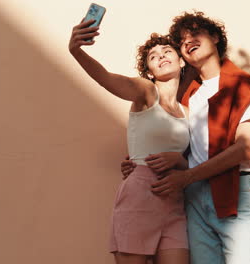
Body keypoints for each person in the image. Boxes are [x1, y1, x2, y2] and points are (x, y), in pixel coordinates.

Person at [121, 11, 250, 264]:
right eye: (181, 40)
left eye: (195, 33)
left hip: (233, 189)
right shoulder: (187, 95)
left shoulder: (240, 85)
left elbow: (246, 149)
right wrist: (139, 163)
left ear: (215, 37)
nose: (188, 40)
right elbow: (180, 143)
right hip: (193, 195)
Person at [68, 18, 191, 264]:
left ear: (181, 61)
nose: (162, 56)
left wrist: (179, 160)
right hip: (139, 196)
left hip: (174, 202)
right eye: (153, 56)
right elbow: (105, 78)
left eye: (168, 51)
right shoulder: (146, 91)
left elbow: (193, 161)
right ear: (149, 71)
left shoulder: (187, 111)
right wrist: (76, 51)